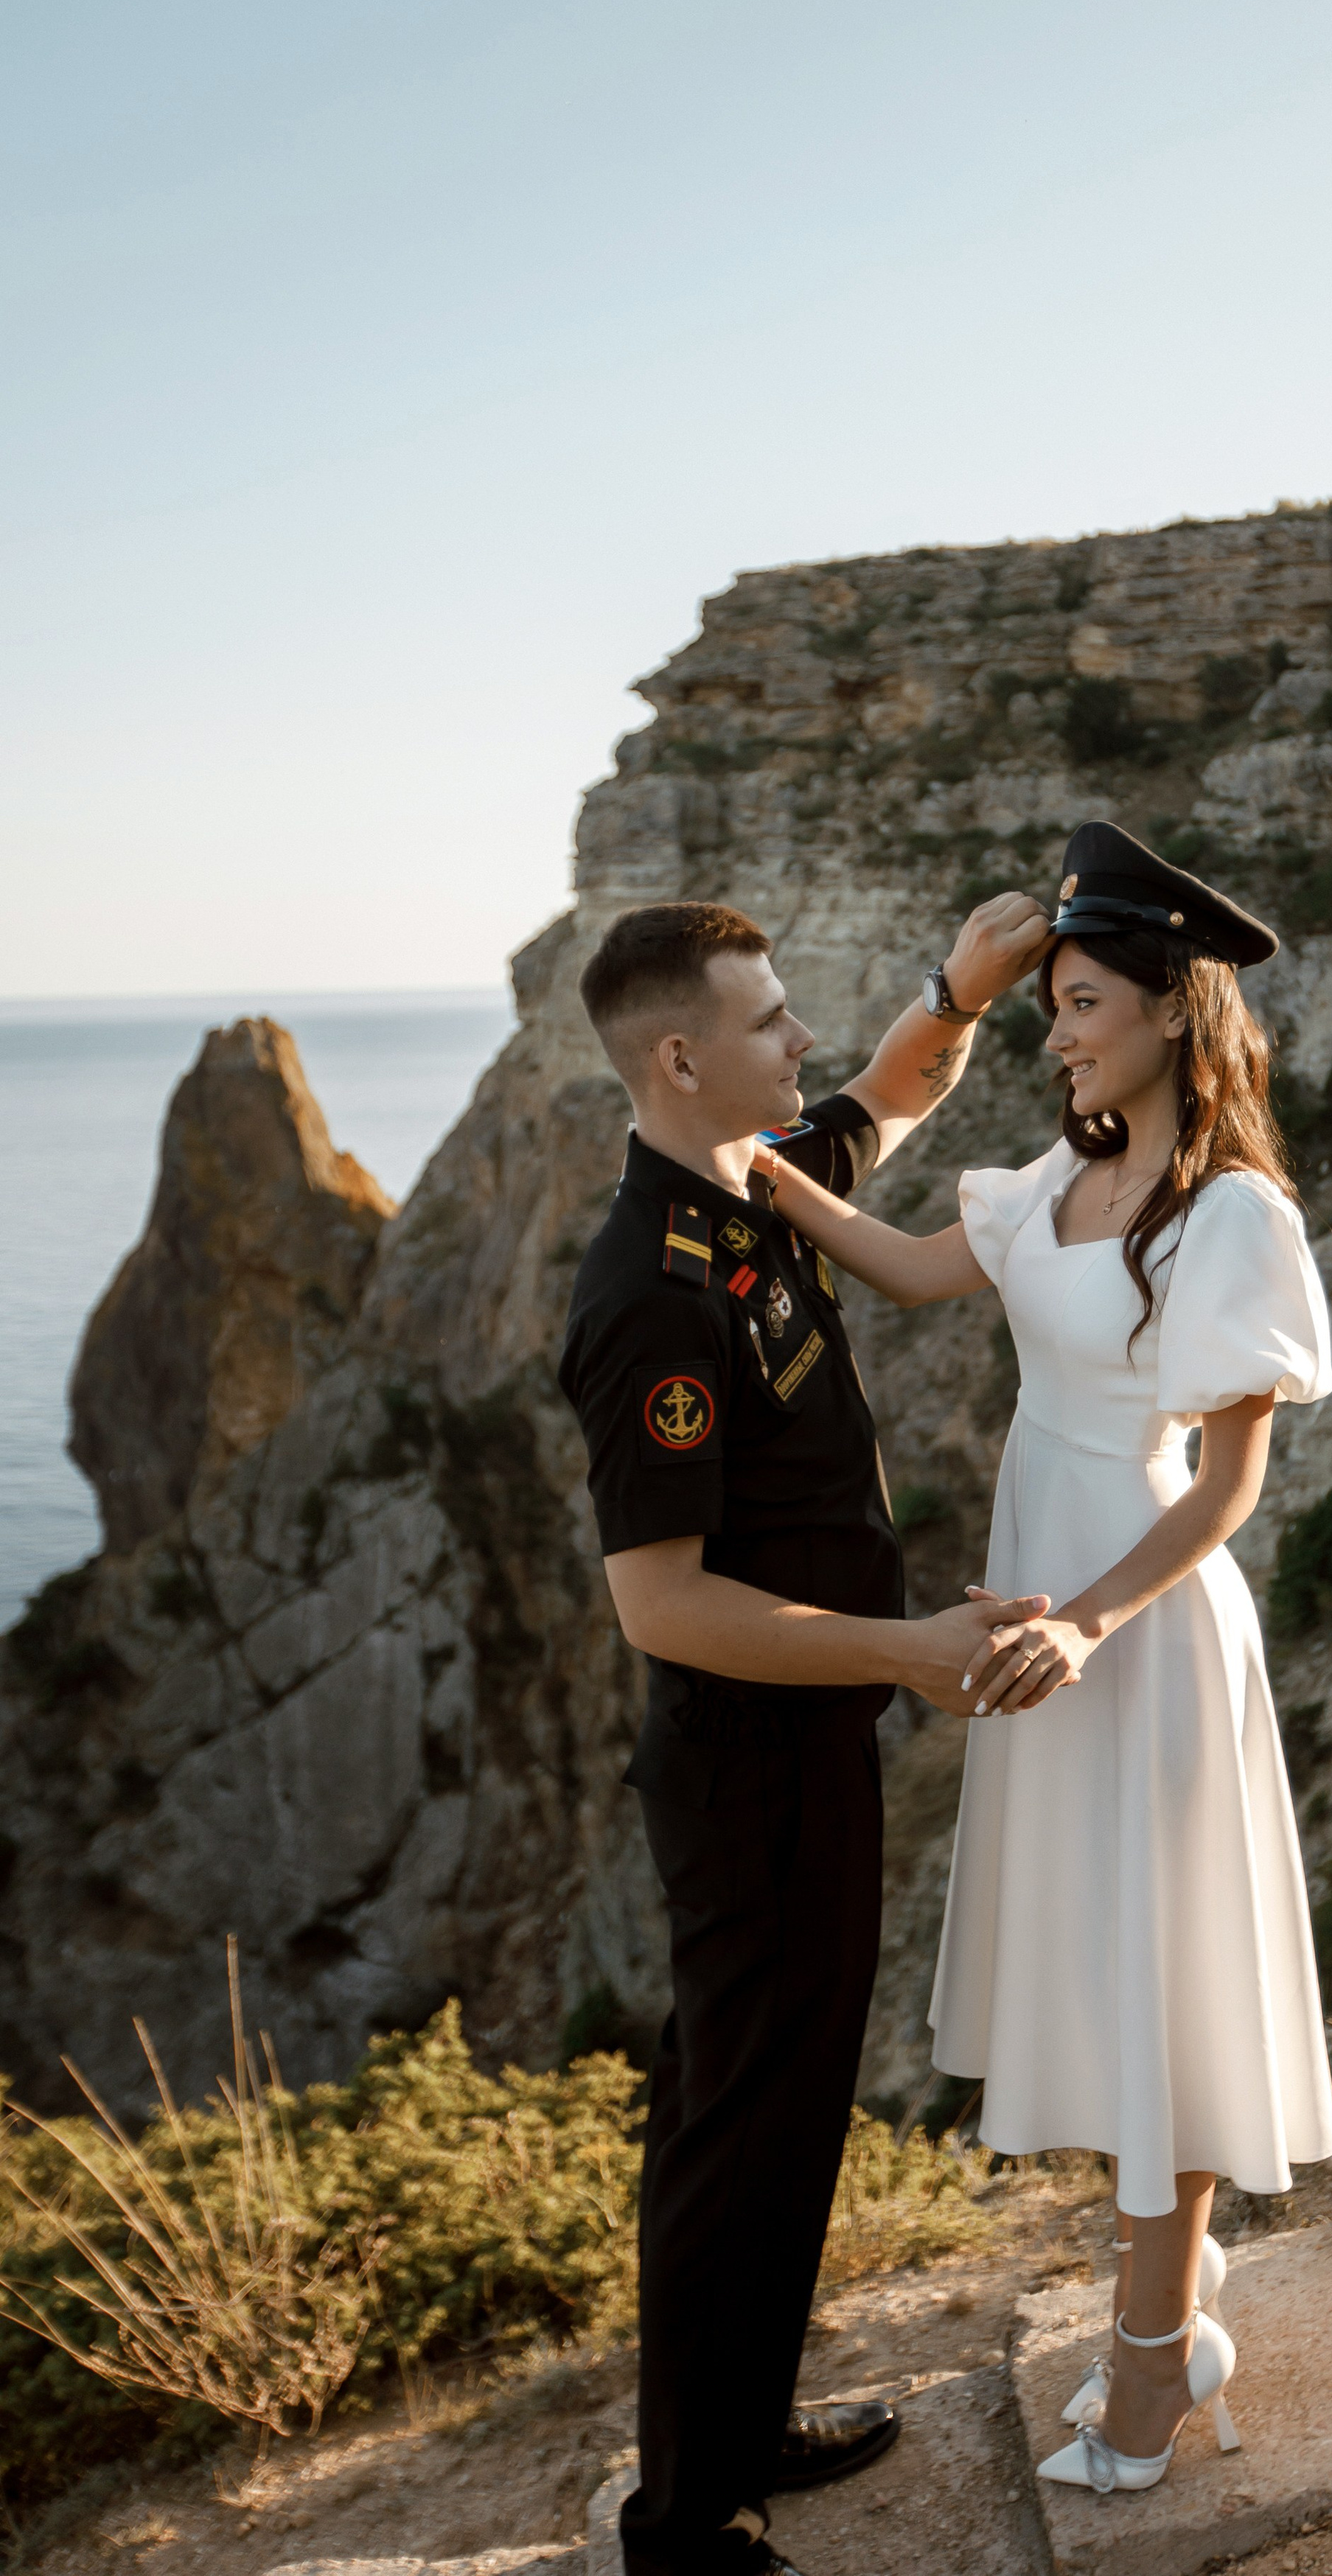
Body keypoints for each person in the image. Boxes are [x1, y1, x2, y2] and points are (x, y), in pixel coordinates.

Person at [761, 821, 1332, 2500]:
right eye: (1051, 1005)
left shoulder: (1228, 1213)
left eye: (1081, 1000)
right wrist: (750, 1171)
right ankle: (1180, 2299)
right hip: (1033, 1615)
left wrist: (1086, 1616)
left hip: (1137, 1631)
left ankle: (1156, 2359)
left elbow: (1227, 1485)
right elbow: (898, 1266)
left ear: (1171, 1010)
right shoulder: (1048, 1187)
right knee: (1101, 1968)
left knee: (1158, 1982)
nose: (1058, 1029)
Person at [557, 891, 1056, 2576]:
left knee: (778, 2111)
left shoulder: (748, 1185)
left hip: (808, 1747)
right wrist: (908, 1652)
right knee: (734, 2123)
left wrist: (961, 993)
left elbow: (886, 1100)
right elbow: (662, 1603)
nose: (800, 1044)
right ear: (681, 1054)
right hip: (745, 1771)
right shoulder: (648, 1289)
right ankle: (686, 2524)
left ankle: (741, 2417)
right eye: (769, 1021)